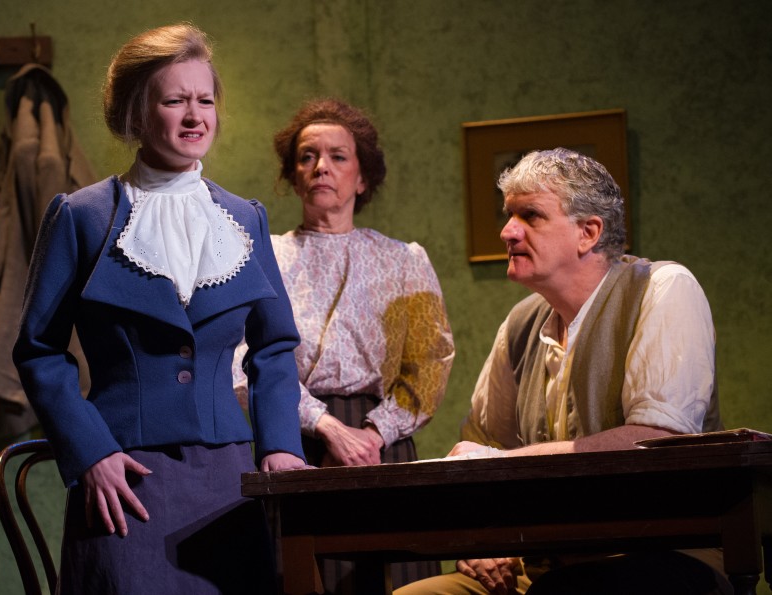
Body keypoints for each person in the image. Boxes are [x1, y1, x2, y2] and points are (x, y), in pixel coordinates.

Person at [12, 23, 306, 594]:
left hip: (226, 479)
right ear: (136, 114)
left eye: (205, 101)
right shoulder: (83, 216)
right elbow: (39, 350)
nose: (195, 116)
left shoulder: (243, 220)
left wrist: (279, 446)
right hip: (123, 477)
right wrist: (91, 452)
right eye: (174, 101)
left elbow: (274, 346)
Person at [396, 148, 730, 595]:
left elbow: (655, 442)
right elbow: (482, 444)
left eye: (530, 215)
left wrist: (498, 462)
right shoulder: (521, 324)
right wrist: (482, 539)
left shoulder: (662, 289)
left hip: (664, 550)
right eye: (509, 215)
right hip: (545, 561)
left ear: (588, 233)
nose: (507, 231)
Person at [234, 98, 455, 593]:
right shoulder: (266, 258)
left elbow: (428, 363)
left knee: (397, 582)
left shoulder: (402, 261)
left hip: (383, 444)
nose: (321, 167)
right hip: (296, 441)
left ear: (362, 178)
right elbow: (242, 363)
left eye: (338, 156)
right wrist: (327, 426)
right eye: (307, 156)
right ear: (293, 177)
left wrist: (373, 435)